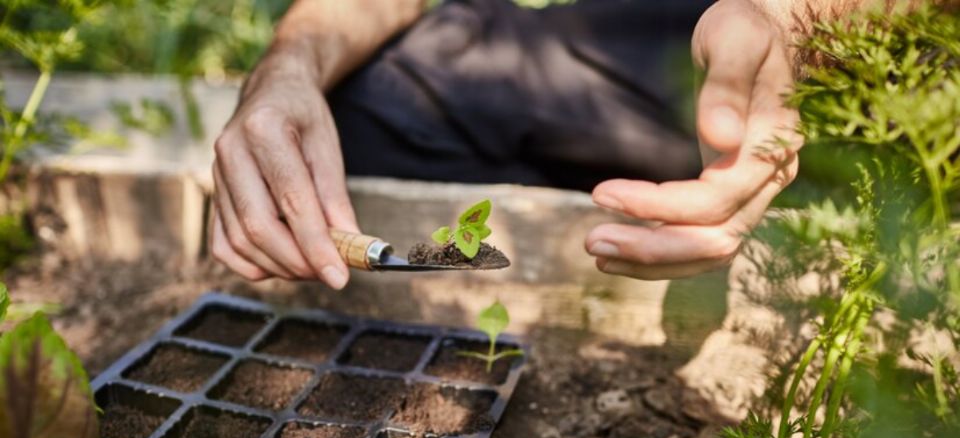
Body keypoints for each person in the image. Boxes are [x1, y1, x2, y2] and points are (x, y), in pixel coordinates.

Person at [211, 0, 813, 289]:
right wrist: (286, 70)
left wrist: (786, 26)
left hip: (782, 61)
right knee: (364, 101)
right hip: (603, 38)